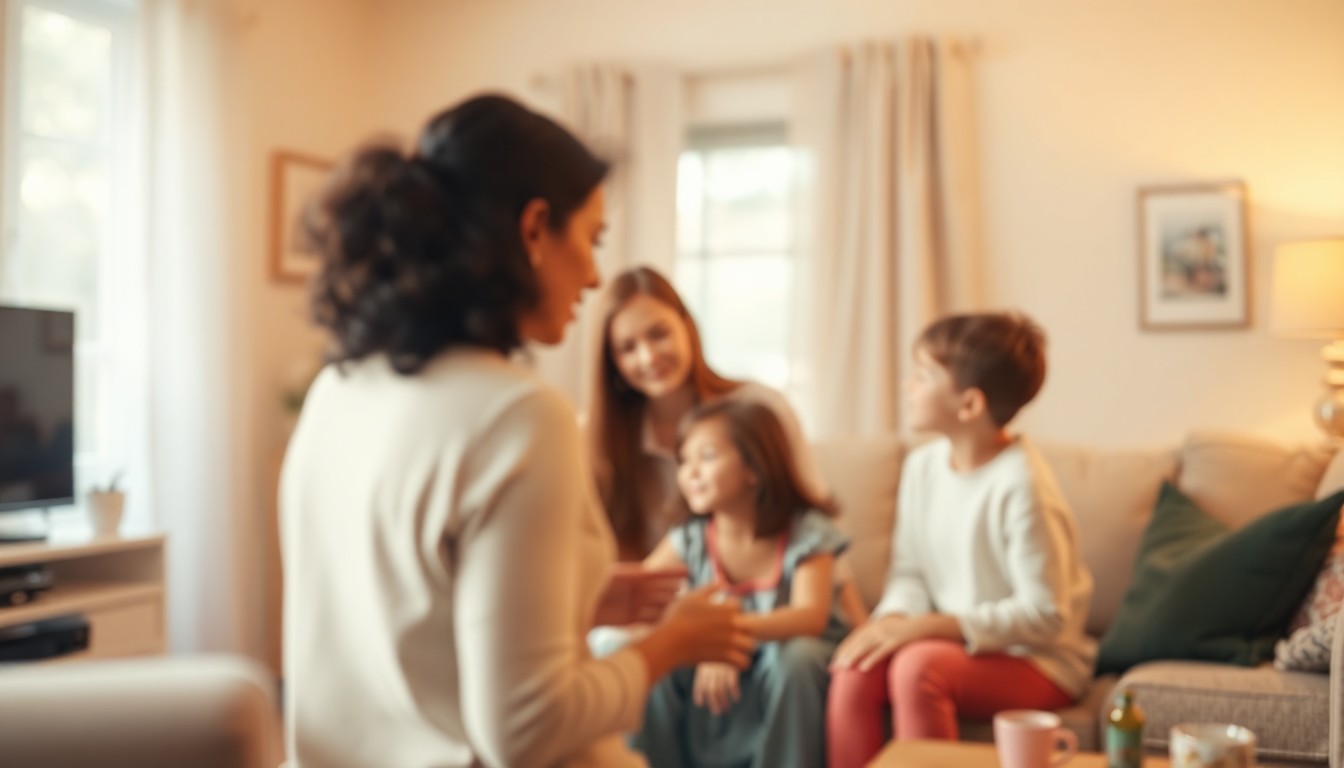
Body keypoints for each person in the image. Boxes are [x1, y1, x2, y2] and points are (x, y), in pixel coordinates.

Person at [281, 94, 754, 768]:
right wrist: (669, 646)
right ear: (534, 230)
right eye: (589, 241)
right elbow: (524, 729)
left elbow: (406, 636)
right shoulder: (518, 415)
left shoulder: (341, 387)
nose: (594, 276)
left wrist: (576, 605)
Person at [825, 311, 1096, 768]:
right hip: (962, 649)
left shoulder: (1022, 486)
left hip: (1039, 660)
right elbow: (909, 573)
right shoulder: (922, 467)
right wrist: (890, 620)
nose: (907, 385)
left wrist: (932, 626)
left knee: (918, 666)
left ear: (969, 405)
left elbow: (1046, 615)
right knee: (855, 667)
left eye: (923, 375)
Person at [632, 399, 850, 768]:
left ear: (754, 466)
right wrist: (698, 646)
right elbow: (640, 598)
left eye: (707, 456)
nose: (691, 473)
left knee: (796, 657)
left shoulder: (807, 534)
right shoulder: (688, 539)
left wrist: (720, 636)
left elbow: (810, 616)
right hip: (716, 672)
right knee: (652, 657)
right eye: (684, 461)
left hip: (782, 663)